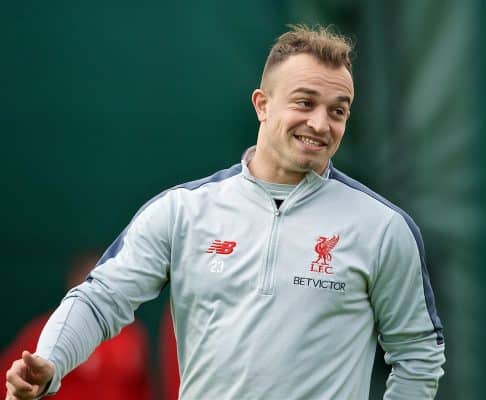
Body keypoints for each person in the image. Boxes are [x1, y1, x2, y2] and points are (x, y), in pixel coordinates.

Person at [5, 24, 445, 399]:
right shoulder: (182, 211)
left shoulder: (383, 228)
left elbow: (418, 355)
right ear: (262, 104)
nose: (320, 124)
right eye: (304, 102)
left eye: (338, 111)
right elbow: (101, 300)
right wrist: (49, 361)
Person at [1, 252, 152, 400]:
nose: (96, 291)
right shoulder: (47, 332)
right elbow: (11, 384)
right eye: (88, 281)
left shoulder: (131, 335)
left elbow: (142, 388)